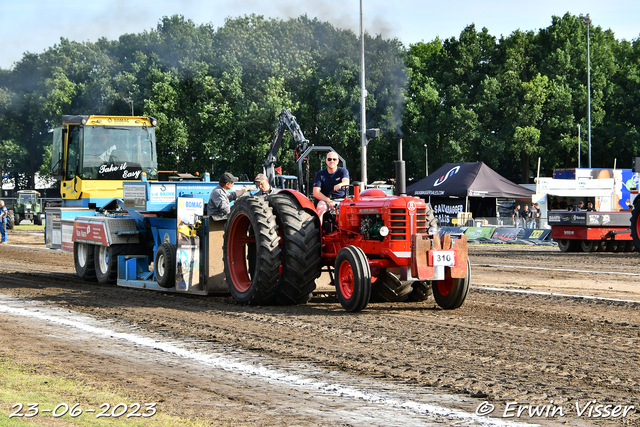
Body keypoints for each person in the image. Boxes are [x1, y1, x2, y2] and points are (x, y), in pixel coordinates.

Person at [313, 151, 349, 223]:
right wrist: (329, 201)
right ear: (326, 161)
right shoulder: (320, 174)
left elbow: (346, 182)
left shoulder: (342, 171)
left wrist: (340, 184)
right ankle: (319, 232)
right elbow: (316, 192)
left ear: (338, 161)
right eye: (329, 159)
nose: (332, 161)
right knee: (320, 208)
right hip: (326, 200)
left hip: (342, 200)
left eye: (334, 159)